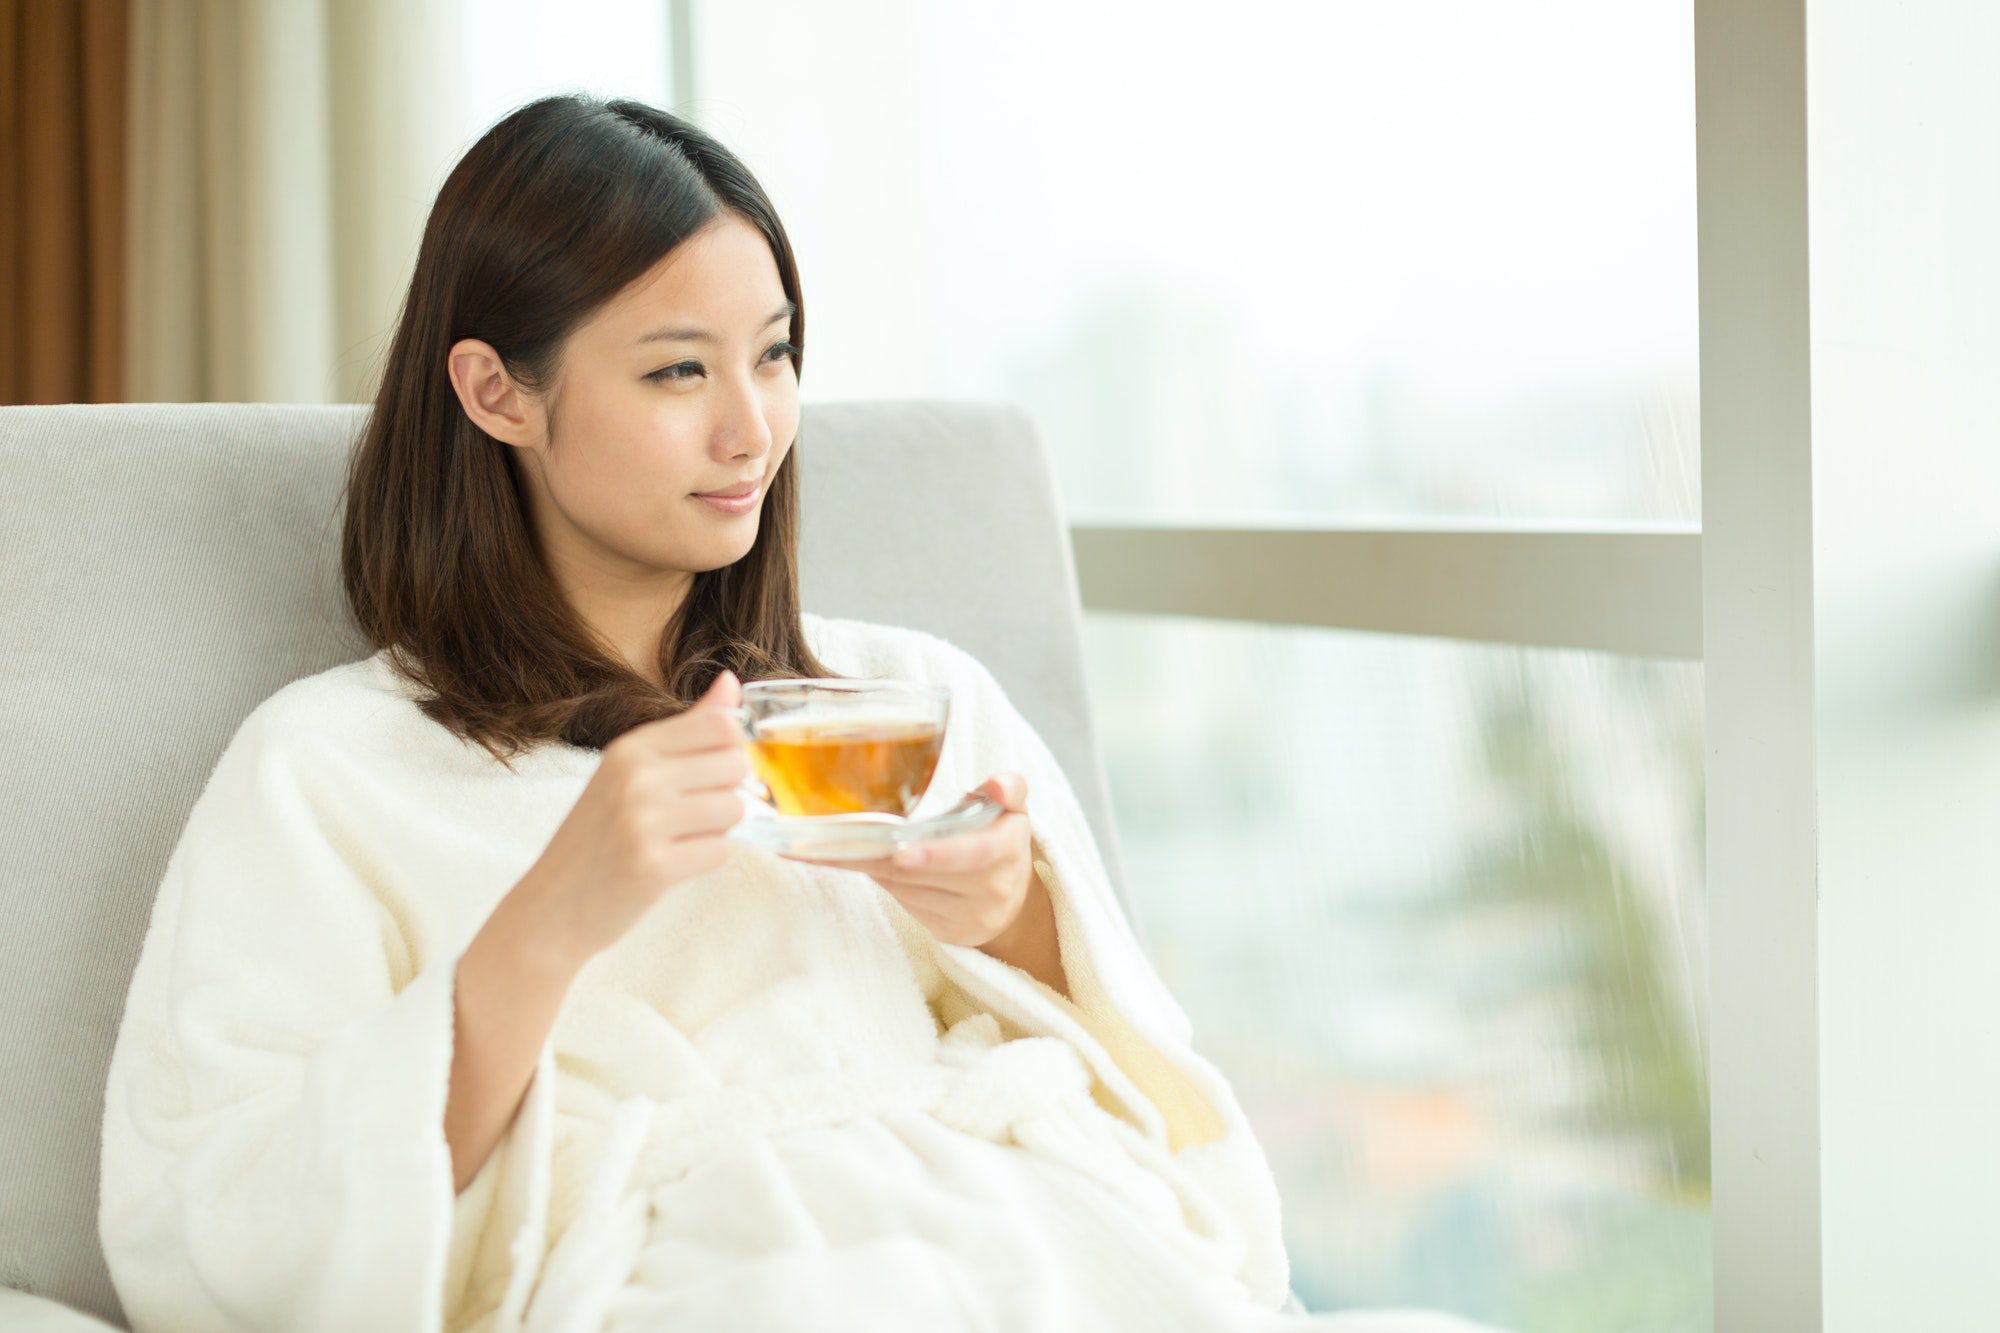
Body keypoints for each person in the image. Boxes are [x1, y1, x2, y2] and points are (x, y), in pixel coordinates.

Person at [97, 94, 1507, 1333]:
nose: (750, 429)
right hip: (698, 1275)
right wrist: (554, 917)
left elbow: (1161, 1108)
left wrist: (1008, 915)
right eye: (677, 370)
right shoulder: (329, 763)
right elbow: (231, 1234)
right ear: (495, 389)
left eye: (772, 355)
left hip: (1019, 1239)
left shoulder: (915, 699)